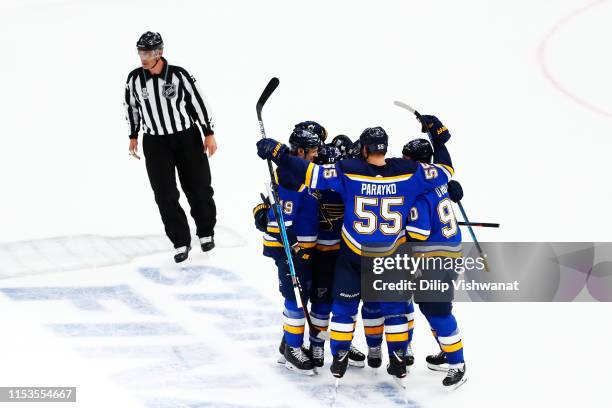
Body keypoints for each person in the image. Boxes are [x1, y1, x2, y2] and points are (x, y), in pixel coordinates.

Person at [255, 116, 454, 380]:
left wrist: (280, 154)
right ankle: (397, 356)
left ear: (363, 150)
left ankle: (338, 355)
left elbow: (309, 172)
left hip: (351, 254)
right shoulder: (409, 173)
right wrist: (440, 143)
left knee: (342, 307)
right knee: (393, 309)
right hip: (387, 255)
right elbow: (445, 170)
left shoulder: (347, 171)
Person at [124, 31, 217, 263]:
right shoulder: (134, 79)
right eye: (140, 52)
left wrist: (208, 132)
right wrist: (133, 135)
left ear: (159, 52)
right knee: (164, 194)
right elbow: (131, 107)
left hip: (186, 137)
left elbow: (199, 102)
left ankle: (205, 231)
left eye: (148, 52)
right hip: (155, 142)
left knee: (198, 187)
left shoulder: (178, 75)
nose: (143, 57)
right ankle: (180, 241)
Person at [403, 137, 467, 389]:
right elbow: (446, 167)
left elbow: (417, 234)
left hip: (435, 260)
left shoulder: (419, 192)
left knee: (438, 310)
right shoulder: (439, 179)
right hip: (447, 253)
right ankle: (446, 351)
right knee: (430, 308)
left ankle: (458, 364)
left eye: (405, 158)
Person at [255, 128, 320, 375]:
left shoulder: (296, 169)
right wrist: (294, 248)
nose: (315, 156)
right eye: (312, 152)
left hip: (299, 246)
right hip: (290, 248)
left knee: (303, 295)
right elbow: (282, 222)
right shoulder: (293, 176)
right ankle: (292, 349)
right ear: (300, 151)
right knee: (295, 299)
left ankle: (288, 341)